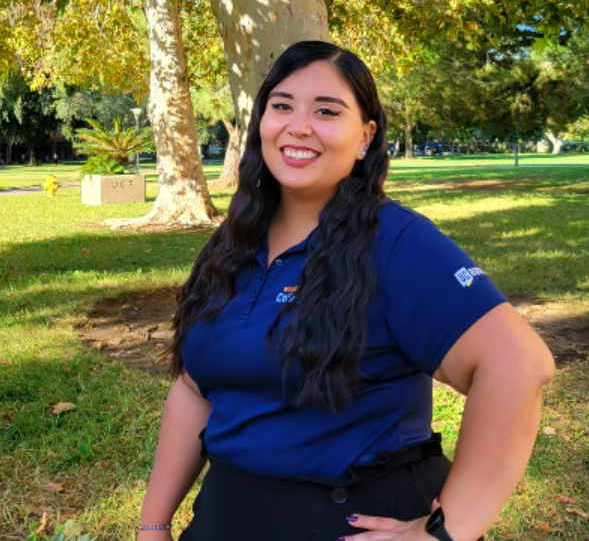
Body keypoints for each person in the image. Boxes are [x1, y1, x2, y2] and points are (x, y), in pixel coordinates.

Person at [137, 41, 554, 541]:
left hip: (348, 518)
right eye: (282, 105)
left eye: (327, 111)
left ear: (365, 137)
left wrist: (445, 531)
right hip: (225, 518)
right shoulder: (231, 243)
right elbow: (195, 387)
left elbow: (517, 366)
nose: (299, 126)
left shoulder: (397, 243)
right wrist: (153, 525)